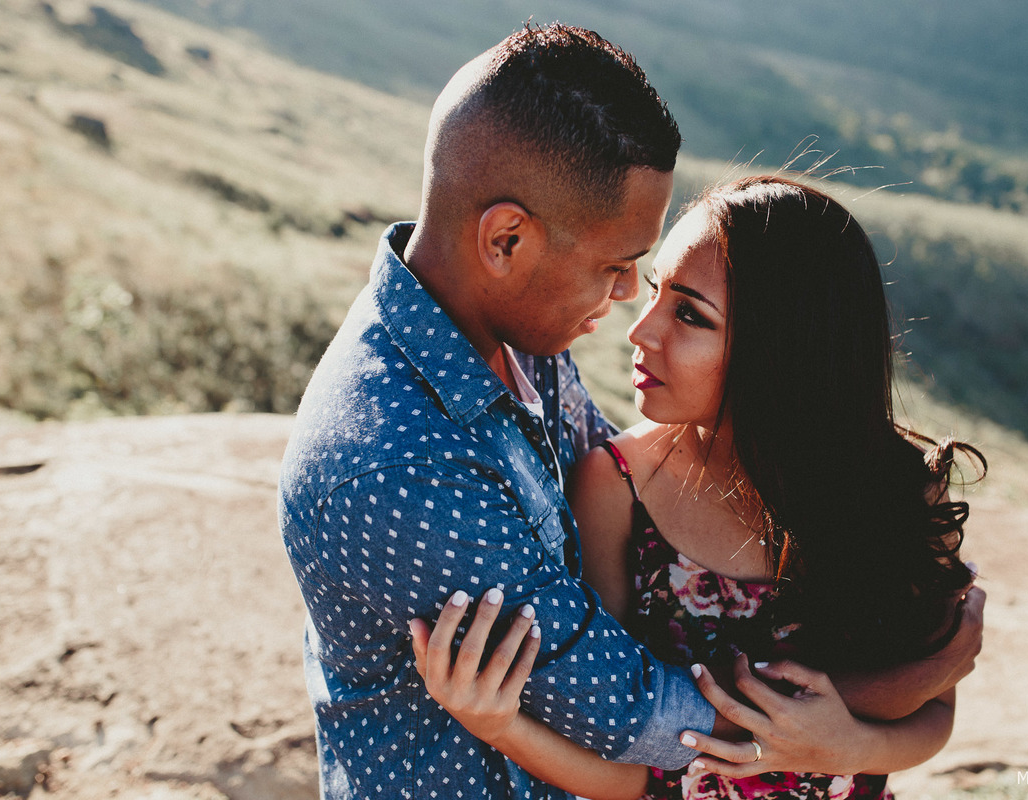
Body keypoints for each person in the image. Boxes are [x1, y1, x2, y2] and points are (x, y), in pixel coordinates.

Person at [280, 22, 983, 800]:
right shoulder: (402, 469)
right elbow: (626, 711)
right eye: (617, 270)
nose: (624, 305)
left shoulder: (513, 335)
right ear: (506, 239)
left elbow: (641, 477)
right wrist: (917, 678)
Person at [410, 175, 987, 799]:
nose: (641, 331)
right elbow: (620, 759)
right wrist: (497, 725)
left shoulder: (897, 493)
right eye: (656, 292)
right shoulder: (617, 488)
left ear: (783, 349)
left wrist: (852, 745)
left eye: (689, 314)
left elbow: (934, 714)